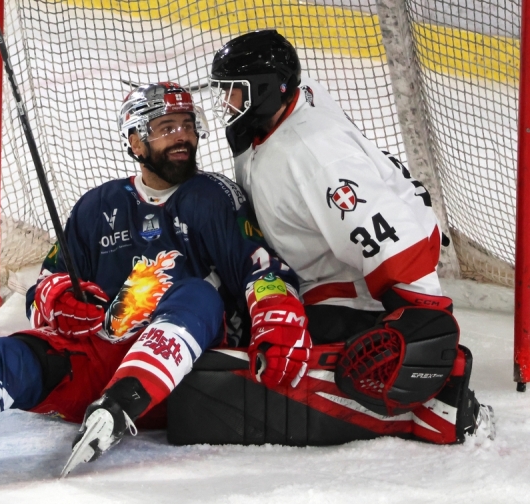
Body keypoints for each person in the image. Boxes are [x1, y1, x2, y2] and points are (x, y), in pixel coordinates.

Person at [0, 82, 310, 481]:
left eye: (187, 125)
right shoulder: (97, 207)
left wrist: (279, 320)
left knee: (195, 293)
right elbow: (45, 287)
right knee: (12, 352)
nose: (182, 137)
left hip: (185, 378)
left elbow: (263, 271)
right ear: (134, 139)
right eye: (166, 127)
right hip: (103, 356)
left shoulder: (213, 197)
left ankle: (122, 401)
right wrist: (65, 302)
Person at [206, 30, 495, 444]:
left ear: (268, 91)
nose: (226, 103)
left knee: (269, 362)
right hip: (320, 264)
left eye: (235, 91)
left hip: (351, 290)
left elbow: (389, 233)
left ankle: (440, 400)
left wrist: (424, 324)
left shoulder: (313, 155)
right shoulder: (281, 114)